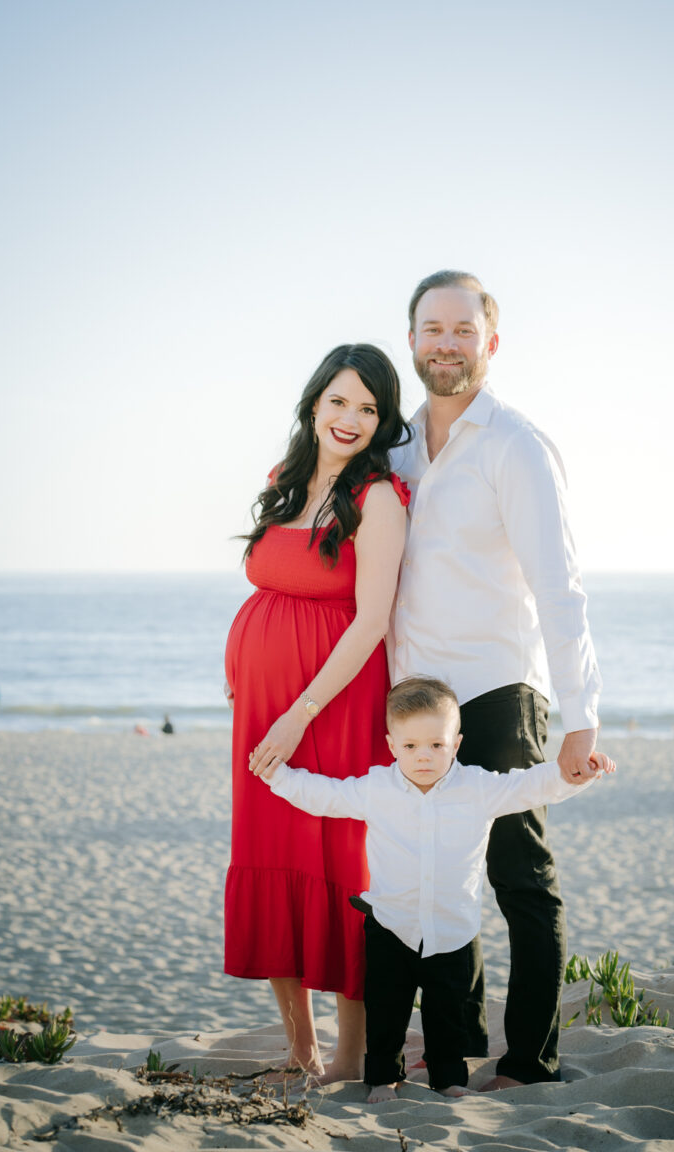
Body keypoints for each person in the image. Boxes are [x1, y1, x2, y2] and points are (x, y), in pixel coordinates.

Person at [388, 270, 603, 1089]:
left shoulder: (515, 444)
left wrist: (581, 715)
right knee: (436, 880)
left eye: (463, 330)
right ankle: (456, 1041)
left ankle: (533, 1059)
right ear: (412, 339)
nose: (446, 344)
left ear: (491, 343)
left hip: (499, 691)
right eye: (432, 329)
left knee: (521, 880)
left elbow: (561, 585)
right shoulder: (397, 445)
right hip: (416, 701)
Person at [250, 676, 615, 1101]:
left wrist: (579, 774)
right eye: (410, 747)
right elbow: (325, 795)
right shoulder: (376, 789)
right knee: (387, 1012)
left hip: (452, 932)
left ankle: (448, 1079)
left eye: (436, 746)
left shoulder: (478, 789)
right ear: (392, 745)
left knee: (448, 1014)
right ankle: (384, 1078)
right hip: (391, 926)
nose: (423, 756)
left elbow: (530, 786)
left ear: (456, 743)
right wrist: (279, 777)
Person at [224, 344, 411, 1083]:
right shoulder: (283, 481)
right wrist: (238, 663)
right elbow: (267, 588)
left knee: (338, 862)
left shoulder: (380, 499)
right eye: (339, 401)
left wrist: (298, 716)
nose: (350, 418)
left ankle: (349, 1054)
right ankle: (298, 1048)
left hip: (330, 706)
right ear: (313, 404)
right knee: (271, 856)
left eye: (368, 408)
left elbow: (370, 622)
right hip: (263, 707)